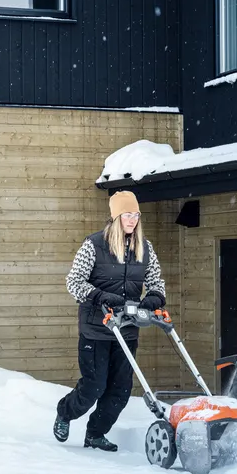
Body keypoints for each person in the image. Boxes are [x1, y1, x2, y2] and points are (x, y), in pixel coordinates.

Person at [54, 190, 166, 451]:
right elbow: (74, 282)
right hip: (97, 328)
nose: (133, 220)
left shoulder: (144, 248)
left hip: (127, 328)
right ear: (116, 217)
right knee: (94, 386)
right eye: (127, 214)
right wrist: (100, 295)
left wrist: (154, 298)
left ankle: (95, 434)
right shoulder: (94, 245)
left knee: (120, 390)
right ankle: (65, 413)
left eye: (136, 215)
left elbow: (156, 282)